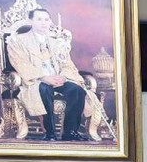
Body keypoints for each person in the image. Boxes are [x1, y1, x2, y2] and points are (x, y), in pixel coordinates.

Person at [5, 8, 88, 141]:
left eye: (46, 19)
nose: (43, 23)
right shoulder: (18, 41)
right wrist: (44, 77)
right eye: (39, 19)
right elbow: (20, 63)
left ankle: (70, 132)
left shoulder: (57, 43)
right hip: (35, 80)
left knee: (77, 90)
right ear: (30, 21)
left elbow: (67, 64)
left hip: (57, 78)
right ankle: (50, 132)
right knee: (44, 89)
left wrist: (63, 76)